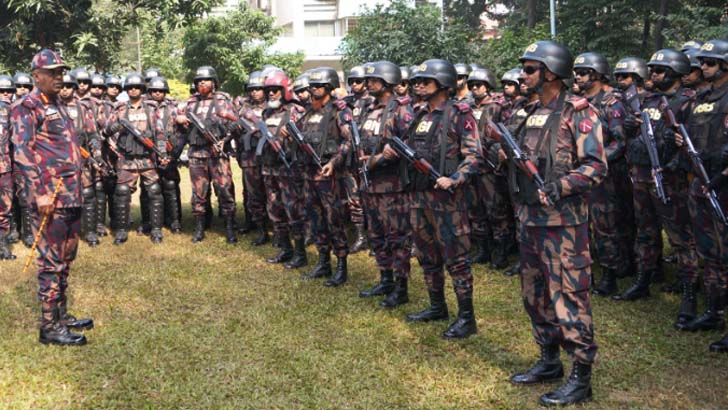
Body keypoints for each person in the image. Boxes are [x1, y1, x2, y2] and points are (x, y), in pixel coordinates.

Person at [507, 41, 606, 406]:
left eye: (530, 69)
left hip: (563, 223)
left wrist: (559, 187)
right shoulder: (528, 111)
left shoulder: (579, 112)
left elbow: (596, 167)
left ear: (550, 72)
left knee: (569, 297)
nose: (523, 75)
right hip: (530, 219)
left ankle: (581, 376)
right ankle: (549, 360)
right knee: (535, 295)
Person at [383, 59, 482, 339]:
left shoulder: (460, 114)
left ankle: (466, 317)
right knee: (427, 255)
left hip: (447, 198)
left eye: (425, 81)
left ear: (443, 84)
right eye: (416, 82)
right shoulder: (419, 116)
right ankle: (437, 306)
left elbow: (474, 156)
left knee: (457, 259)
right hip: (419, 196)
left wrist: (455, 179)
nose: (419, 86)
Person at [12, 49, 94, 346]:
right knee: (50, 261)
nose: (60, 77)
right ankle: (49, 327)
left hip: (70, 195)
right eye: (53, 73)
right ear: (37, 76)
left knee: (67, 257)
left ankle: (61, 315)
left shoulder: (59, 104)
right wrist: (41, 192)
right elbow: (22, 153)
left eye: (62, 72)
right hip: (50, 197)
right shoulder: (27, 106)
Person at [571, 52, 631, 295]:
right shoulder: (578, 103)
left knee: (605, 225)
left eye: (583, 73)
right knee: (581, 223)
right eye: (577, 73)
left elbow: (620, 141)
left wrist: (597, 162)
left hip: (604, 177)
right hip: (578, 174)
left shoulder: (611, 102)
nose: (578, 77)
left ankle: (609, 274)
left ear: (596, 74)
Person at [681, 40, 728, 347]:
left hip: (723, 183)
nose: (702, 68)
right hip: (700, 181)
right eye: (702, 64)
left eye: (709, 63)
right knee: (709, 252)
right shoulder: (701, 97)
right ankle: (713, 309)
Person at [356, 60, 414, 307]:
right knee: (377, 235)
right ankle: (385, 278)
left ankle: (401, 288)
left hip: (392, 186)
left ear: (388, 81)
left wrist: (380, 158)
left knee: (397, 238)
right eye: (368, 80)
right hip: (370, 185)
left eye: (373, 80)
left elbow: (410, 146)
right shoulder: (368, 109)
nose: (369, 84)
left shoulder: (401, 110)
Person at [297, 67, 353, 286]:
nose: (313, 90)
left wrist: (333, 162)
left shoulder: (339, 111)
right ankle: (323, 261)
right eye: (311, 86)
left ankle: (341, 264)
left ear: (329, 87)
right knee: (315, 218)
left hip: (331, 175)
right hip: (309, 174)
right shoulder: (309, 112)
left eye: (318, 86)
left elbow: (348, 142)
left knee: (335, 219)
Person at [105, 73, 169, 245]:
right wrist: (117, 125)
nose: (134, 90)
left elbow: (160, 133)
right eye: (131, 87)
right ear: (126, 90)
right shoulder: (119, 109)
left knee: (154, 192)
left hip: (147, 158)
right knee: (122, 194)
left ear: (142, 89)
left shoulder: (150, 109)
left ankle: (156, 230)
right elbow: (106, 130)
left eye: (137, 87)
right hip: (126, 159)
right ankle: (121, 231)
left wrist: (162, 153)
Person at [177, 66, 238, 244]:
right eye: (198, 81)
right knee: (199, 192)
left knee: (224, 189)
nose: (202, 82)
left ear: (214, 82)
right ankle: (200, 226)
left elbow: (235, 125)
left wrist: (225, 140)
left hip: (217, 153)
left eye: (206, 80)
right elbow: (177, 118)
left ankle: (229, 225)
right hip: (197, 153)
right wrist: (178, 118)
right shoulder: (190, 103)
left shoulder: (223, 100)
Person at [257, 71, 307, 268]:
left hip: (289, 170)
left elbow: (306, 140)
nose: (271, 94)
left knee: (293, 210)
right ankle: (285, 249)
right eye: (269, 90)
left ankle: (300, 253)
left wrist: (290, 137)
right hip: (269, 169)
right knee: (275, 209)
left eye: (276, 90)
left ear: (285, 91)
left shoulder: (296, 111)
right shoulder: (266, 113)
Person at [236, 71, 269, 244]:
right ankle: (261, 229)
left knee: (272, 195)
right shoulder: (242, 108)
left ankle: (277, 230)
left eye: (258, 89)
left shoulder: (273, 107)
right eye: (252, 89)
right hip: (250, 157)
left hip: (269, 157)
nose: (255, 92)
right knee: (253, 195)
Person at [0, 75, 15, 259]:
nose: (5, 94)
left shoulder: (15, 112)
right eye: (2, 90)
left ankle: (2, 246)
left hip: (5, 167)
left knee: (4, 208)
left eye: (9, 90)